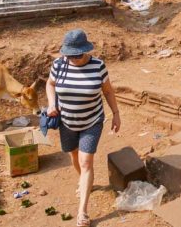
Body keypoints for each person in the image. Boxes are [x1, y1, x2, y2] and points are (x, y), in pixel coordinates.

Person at [46, 29, 121, 227]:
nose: (74, 59)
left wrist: (116, 114)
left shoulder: (98, 66)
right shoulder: (58, 64)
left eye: (78, 55)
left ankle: (83, 212)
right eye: (70, 55)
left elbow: (108, 92)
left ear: (85, 50)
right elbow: (50, 84)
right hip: (67, 121)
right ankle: (85, 182)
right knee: (74, 156)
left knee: (86, 161)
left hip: (92, 121)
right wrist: (51, 103)